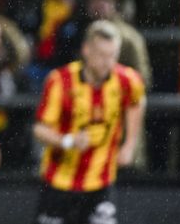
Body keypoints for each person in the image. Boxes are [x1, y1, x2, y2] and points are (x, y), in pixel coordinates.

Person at [32, 20, 146, 224]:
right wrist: (68, 141)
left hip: (101, 183)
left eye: (112, 55)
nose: (107, 62)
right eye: (101, 55)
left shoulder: (127, 80)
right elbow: (40, 129)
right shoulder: (60, 81)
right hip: (60, 182)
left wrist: (129, 144)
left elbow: (137, 102)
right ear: (86, 50)